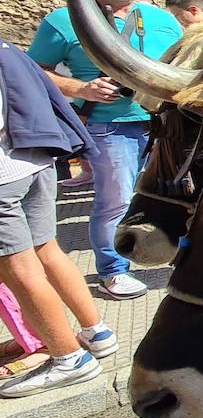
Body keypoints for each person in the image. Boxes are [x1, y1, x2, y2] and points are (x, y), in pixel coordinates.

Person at [27, 0, 182, 300]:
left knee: (173, 195)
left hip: (166, 124)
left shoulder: (160, 19)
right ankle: (113, 271)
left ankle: (176, 253)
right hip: (110, 126)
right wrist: (81, 89)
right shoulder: (64, 20)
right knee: (116, 201)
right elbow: (34, 70)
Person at [0, 37, 118, 397]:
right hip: (35, 160)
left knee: (20, 270)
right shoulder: (6, 46)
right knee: (47, 251)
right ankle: (96, 332)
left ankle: (68, 358)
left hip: (3, 175)